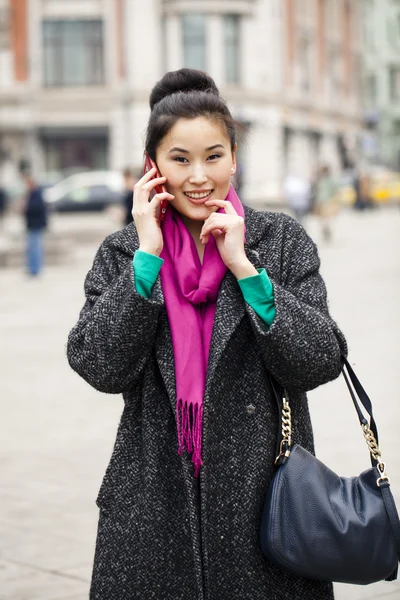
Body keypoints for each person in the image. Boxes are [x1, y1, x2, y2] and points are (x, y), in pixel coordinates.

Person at [67, 69, 347, 600]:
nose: (199, 176)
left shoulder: (279, 240)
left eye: (214, 156)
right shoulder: (125, 251)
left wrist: (245, 268)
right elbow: (100, 366)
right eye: (180, 159)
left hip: (263, 505)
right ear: (153, 168)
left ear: (234, 159)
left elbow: (318, 362)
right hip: (151, 506)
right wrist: (146, 259)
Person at [23, 173, 47, 276]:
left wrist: (25, 207)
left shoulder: (37, 194)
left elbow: (37, 209)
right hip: (32, 224)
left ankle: (35, 269)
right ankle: (32, 268)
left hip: (36, 224)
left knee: (36, 248)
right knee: (31, 248)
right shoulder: (32, 194)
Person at [314, 165, 339, 241]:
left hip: (327, 201)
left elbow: (335, 190)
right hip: (320, 201)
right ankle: (325, 229)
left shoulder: (330, 180)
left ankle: (326, 229)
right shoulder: (320, 180)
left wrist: (333, 199)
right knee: (321, 218)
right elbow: (316, 190)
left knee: (327, 218)